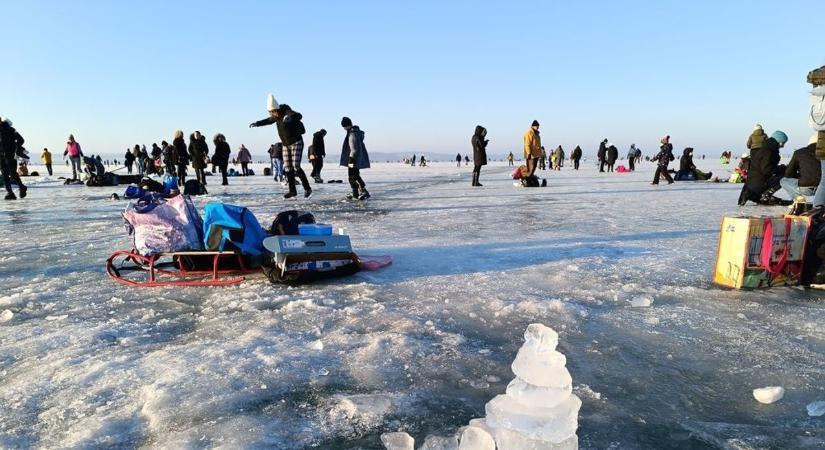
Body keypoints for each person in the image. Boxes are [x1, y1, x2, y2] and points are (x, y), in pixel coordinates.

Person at [249, 95, 311, 199]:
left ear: (277, 109)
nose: (272, 114)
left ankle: (307, 188)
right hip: (285, 144)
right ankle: (292, 191)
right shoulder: (275, 117)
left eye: (273, 111)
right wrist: (257, 123)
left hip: (296, 142)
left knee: (296, 166)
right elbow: (268, 121)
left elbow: (299, 115)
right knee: (288, 167)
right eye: (271, 112)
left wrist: (289, 117)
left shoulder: (286, 111)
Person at [739, 131, 788, 205]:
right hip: (759, 183)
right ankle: (766, 195)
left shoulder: (765, 148)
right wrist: (782, 168)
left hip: (752, 184)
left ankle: (758, 195)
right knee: (786, 175)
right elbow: (767, 170)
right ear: (779, 142)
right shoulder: (768, 152)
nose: (783, 146)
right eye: (783, 143)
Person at [780, 134, 821, 200]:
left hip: (805, 188)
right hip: (822, 189)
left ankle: (798, 198)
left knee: (783, 180)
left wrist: (801, 175)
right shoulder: (823, 153)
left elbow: (789, 173)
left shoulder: (799, 152)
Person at [340, 116, 370, 200]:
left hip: (353, 158)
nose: (344, 128)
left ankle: (363, 191)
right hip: (356, 158)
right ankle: (355, 192)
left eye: (344, 126)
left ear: (347, 125)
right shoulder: (355, 132)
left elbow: (354, 149)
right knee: (354, 175)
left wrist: (351, 159)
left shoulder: (352, 134)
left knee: (352, 176)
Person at [0, 119, 27, 199]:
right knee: (5, 175)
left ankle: (22, 187)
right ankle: (10, 193)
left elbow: (21, 140)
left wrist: (15, 147)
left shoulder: (10, 130)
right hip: (1, 157)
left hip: (10, 155)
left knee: (13, 174)